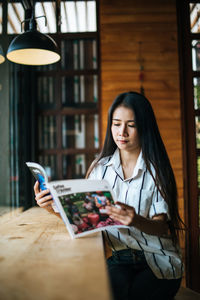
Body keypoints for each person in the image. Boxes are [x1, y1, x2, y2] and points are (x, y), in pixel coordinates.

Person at [34, 91, 184, 300]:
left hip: (158, 260)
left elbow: (161, 227)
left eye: (131, 125)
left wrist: (136, 220)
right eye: (116, 123)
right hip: (119, 260)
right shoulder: (99, 169)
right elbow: (86, 221)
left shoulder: (157, 171)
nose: (122, 132)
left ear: (144, 127)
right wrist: (51, 207)